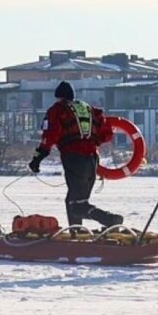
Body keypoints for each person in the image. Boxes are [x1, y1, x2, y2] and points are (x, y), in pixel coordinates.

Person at [28, 81, 124, 229]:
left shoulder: (58, 110)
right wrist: (92, 141)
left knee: (76, 205)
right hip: (92, 159)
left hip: (73, 158)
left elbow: (50, 136)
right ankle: (77, 232)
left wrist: (37, 158)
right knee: (77, 201)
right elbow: (107, 134)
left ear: (59, 97)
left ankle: (107, 219)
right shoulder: (90, 110)